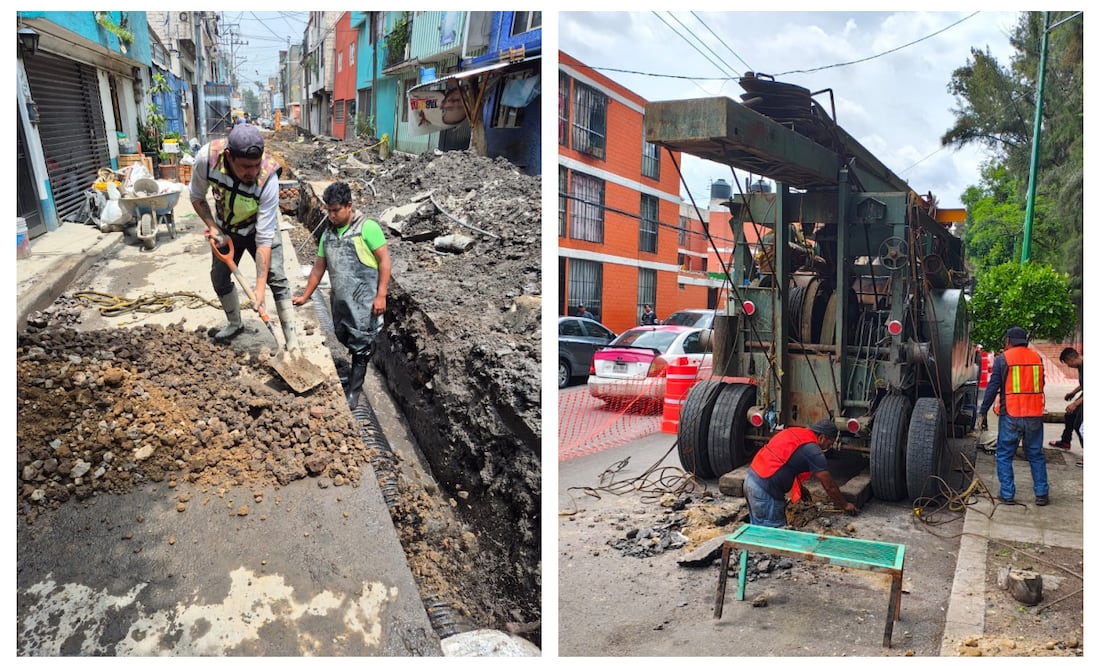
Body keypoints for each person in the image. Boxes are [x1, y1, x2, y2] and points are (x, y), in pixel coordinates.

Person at [189, 123, 299, 349]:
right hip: (226, 227)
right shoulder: (206, 160)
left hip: (258, 228)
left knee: (276, 279)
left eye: (256, 165)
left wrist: (259, 290)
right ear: (228, 157)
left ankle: (292, 343)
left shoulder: (268, 177)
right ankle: (235, 323)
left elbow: (264, 239)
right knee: (219, 278)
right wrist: (213, 227)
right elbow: (197, 196)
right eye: (246, 167)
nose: (253, 172)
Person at [292, 182, 391, 409]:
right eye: (328, 210)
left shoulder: (367, 229)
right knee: (343, 335)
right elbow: (319, 267)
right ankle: (356, 372)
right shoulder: (328, 233)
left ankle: (354, 391)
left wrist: (381, 295)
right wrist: (306, 295)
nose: (331, 215)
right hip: (340, 301)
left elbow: (384, 262)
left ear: (349, 206)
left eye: (336, 210)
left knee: (361, 345)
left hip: (364, 302)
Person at [978, 326, 1049, 505]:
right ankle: (1041, 494)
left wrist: (982, 411)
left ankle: (1007, 494)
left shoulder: (1004, 359)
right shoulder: (1037, 358)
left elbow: (992, 387)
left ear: (1008, 341)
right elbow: (1042, 383)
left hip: (1011, 414)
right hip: (1034, 414)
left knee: (1004, 454)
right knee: (1035, 454)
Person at [743, 418, 858, 527]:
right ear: (822, 437)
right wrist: (845, 505)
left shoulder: (795, 432)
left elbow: (786, 461)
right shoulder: (813, 451)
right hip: (765, 492)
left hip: (751, 480)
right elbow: (829, 486)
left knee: (757, 531)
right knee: (773, 537)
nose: (828, 447)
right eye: (829, 444)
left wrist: (800, 488)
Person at [1048, 347, 1083, 453]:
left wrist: (1075, 403)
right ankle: (1065, 442)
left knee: (1080, 425)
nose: (1068, 366)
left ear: (1071, 358)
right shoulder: (1080, 366)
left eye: (1068, 363)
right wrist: (1073, 392)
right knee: (1069, 415)